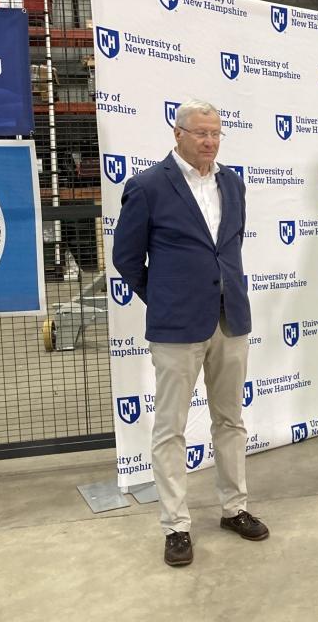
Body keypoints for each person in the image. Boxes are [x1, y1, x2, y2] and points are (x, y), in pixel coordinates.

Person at [113, 99, 268, 566]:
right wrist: (164, 299)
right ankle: (176, 526)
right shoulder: (146, 187)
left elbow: (230, 248)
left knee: (230, 421)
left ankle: (233, 508)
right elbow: (126, 259)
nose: (210, 141)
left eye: (216, 133)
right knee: (170, 429)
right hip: (176, 327)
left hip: (230, 320)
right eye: (201, 133)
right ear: (176, 133)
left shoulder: (233, 184)